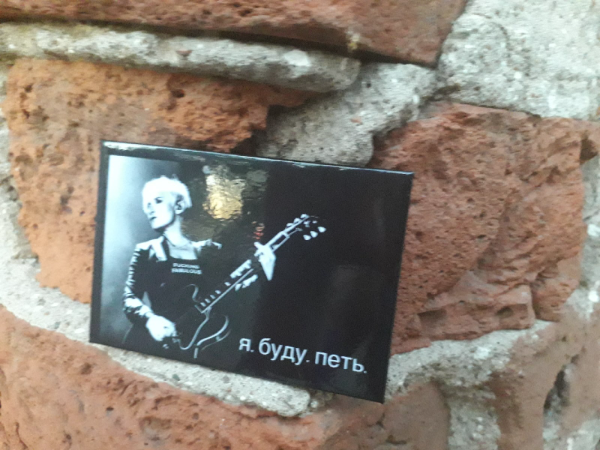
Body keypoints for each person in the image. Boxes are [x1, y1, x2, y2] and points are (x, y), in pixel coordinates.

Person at [122, 175, 275, 353]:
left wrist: (265, 274)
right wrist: (150, 319)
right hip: (154, 343)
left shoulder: (210, 249)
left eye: (157, 201)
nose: (150, 209)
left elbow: (235, 296)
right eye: (147, 204)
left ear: (179, 206)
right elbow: (130, 297)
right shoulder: (146, 250)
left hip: (201, 344)